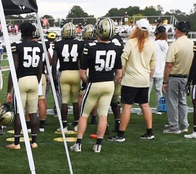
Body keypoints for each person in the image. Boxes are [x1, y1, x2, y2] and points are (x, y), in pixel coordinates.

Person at [73, 18, 121, 154]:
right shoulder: (117, 48)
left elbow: (82, 73)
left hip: (94, 83)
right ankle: (98, 145)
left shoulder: (89, 48)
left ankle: (78, 144)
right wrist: (112, 82)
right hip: (109, 84)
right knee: (103, 115)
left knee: (84, 115)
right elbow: (119, 74)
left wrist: (89, 82)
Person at [3, 22, 45, 150]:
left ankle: (16, 143)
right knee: (32, 112)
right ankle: (34, 141)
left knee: (19, 113)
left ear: (21, 32)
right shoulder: (38, 46)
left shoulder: (17, 46)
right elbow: (40, 68)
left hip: (21, 80)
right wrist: (37, 81)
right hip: (34, 79)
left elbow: (14, 68)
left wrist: (9, 89)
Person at [114, 20, 156, 141]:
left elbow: (123, 61)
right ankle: (149, 132)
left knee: (127, 107)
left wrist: (119, 75)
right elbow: (153, 65)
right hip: (143, 79)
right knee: (145, 105)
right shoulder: (151, 44)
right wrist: (148, 77)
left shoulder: (131, 43)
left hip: (130, 80)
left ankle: (121, 134)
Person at [162, 21, 192, 134]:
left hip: (174, 76)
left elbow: (169, 64)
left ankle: (174, 126)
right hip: (186, 76)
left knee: (172, 101)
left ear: (177, 30)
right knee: (182, 101)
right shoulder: (192, 44)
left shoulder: (175, 45)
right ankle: (184, 124)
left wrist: (165, 81)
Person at [54, 23, 83, 131]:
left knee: (64, 101)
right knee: (75, 100)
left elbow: (54, 62)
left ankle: (64, 126)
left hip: (64, 73)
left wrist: (53, 77)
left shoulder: (58, 44)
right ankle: (76, 124)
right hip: (75, 73)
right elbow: (82, 62)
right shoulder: (80, 44)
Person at [151, 25, 169, 113]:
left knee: (147, 91)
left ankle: (144, 109)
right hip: (161, 71)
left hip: (152, 70)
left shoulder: (154, 44)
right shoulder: (166, 45)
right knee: (159, 92)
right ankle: (159, 109)